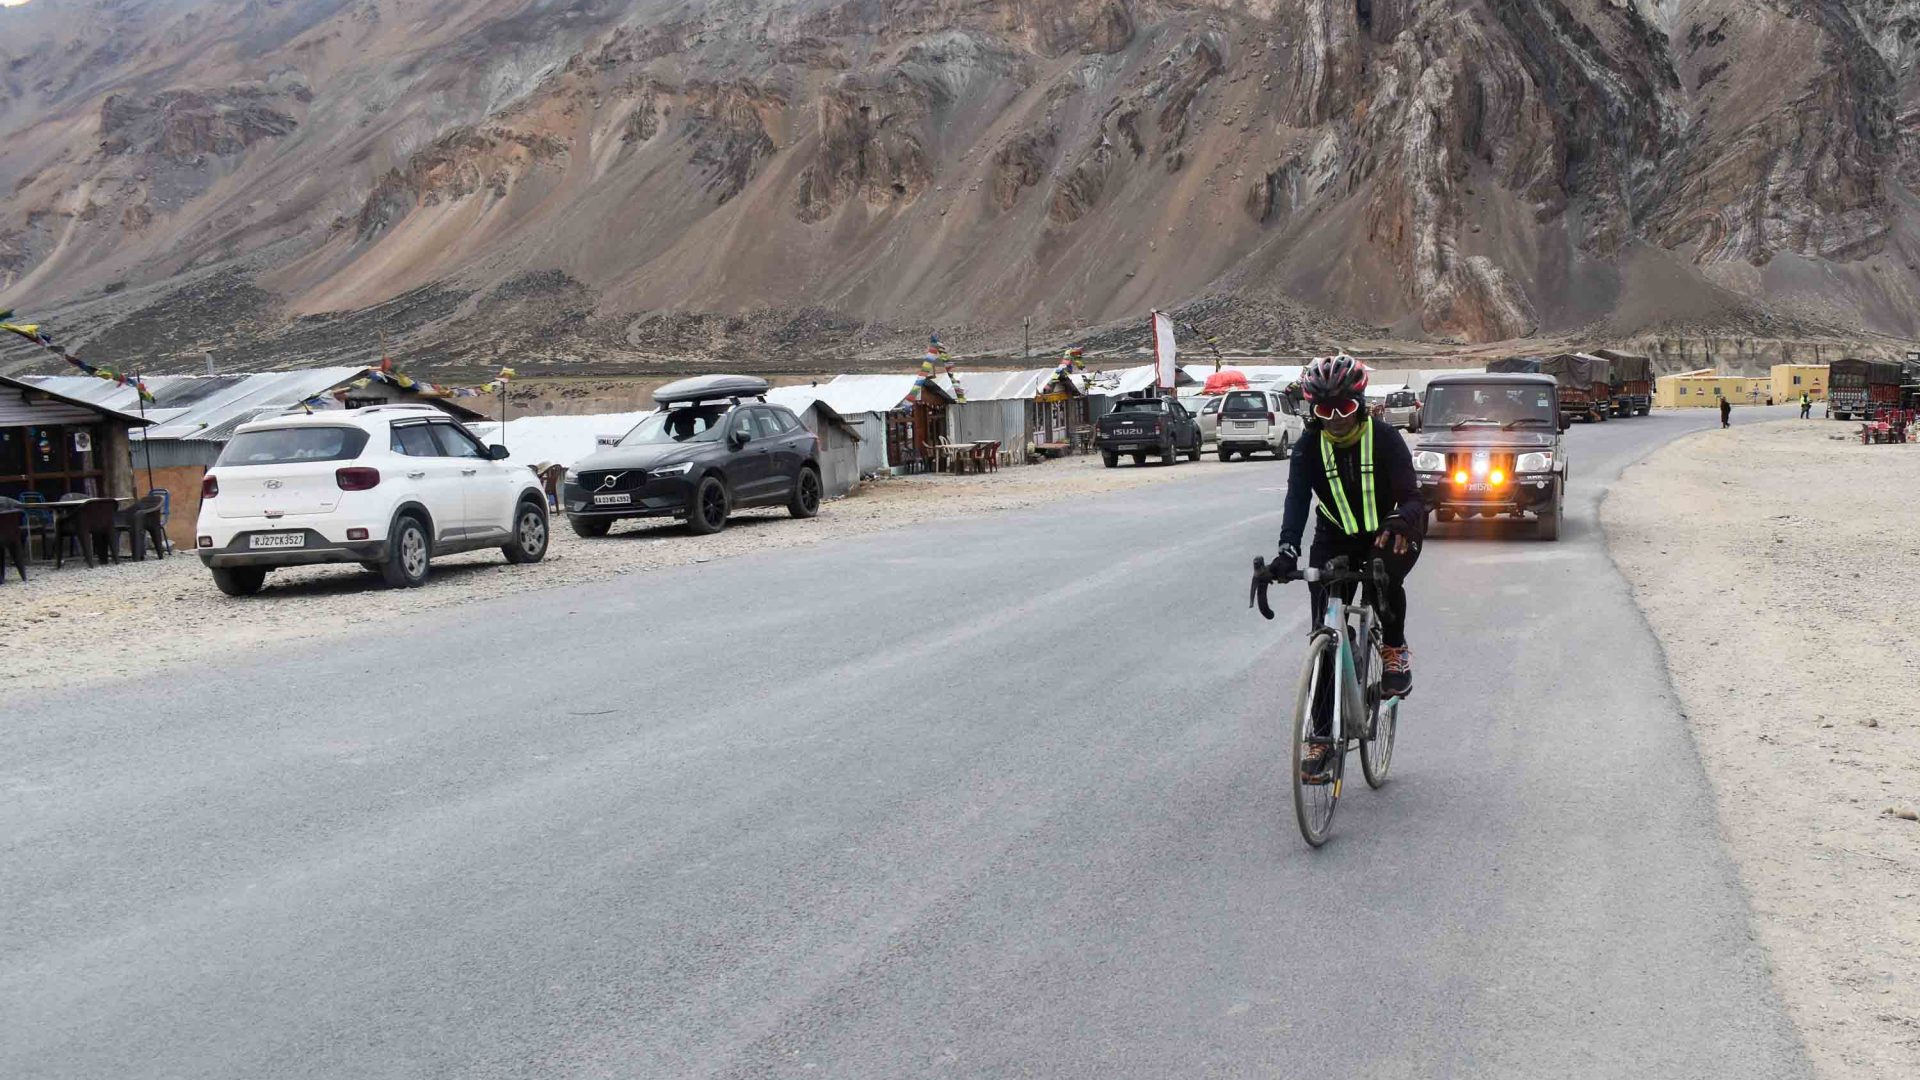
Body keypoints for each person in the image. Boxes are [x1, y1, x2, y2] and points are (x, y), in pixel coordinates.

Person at [1269, 354, 1424, 708]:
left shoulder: (1385, 438)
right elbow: (1296, 501)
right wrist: (1286, 549)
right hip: (1334, 536)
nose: (1336, 420)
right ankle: (1319, 742)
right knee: (1322, 636)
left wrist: (1402, 518)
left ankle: (1394, 651)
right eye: (1325, 412)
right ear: (1314, 413)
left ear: (1361, 404)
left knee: (1383, 577)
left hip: (1390, 531)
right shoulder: (1308, 447)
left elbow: (1414, 498)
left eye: (1344, 408)